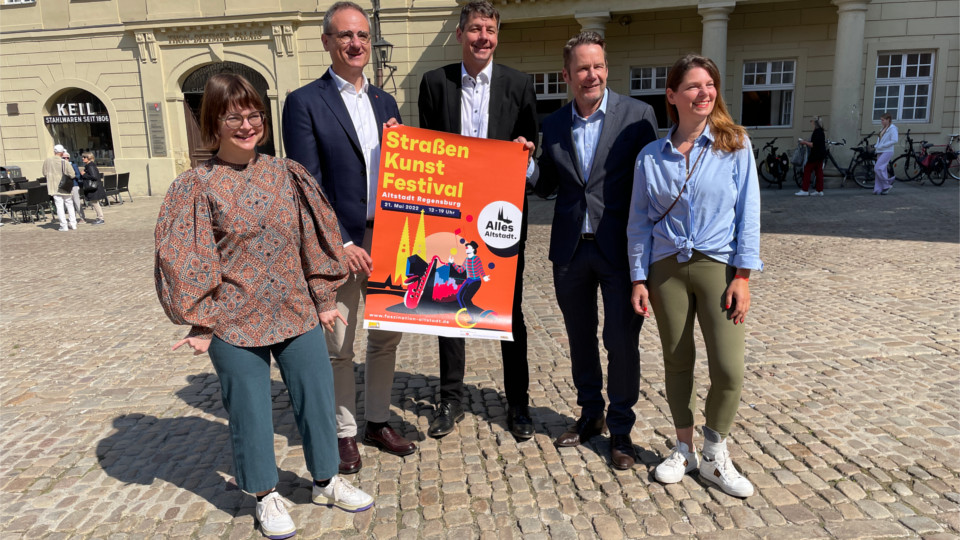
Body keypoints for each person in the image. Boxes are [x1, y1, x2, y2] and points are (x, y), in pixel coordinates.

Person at [155, 73, 373, 540]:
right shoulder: (197, 185)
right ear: (213, 122)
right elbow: (191, 257)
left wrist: (323, 299)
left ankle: (326, 481)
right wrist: (201, 322)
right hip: (234, 322)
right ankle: (264, 494)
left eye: (253, 114)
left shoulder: (286, 174)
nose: (247, 124)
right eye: (233, 116)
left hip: (295, 312)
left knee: (317, 400)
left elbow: (312, 240)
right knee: (249, 411)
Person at [282, 1, 416, 475]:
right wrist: (340, 241)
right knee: (339, 346)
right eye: (344, 36)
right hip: (338, 244)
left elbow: (405, 176)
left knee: (386, 338)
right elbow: (306, 183)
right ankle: (343, 432)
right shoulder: (304, 101)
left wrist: (404, 146)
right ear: (327, 42)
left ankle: (378, 421)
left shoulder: (386, 102)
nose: (355, 43)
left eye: (361, 35)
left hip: (389, 238)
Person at [627, 54, 763, 497]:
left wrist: (743, 275)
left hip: (718, 266)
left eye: (709, 85)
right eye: (693, 86)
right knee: (677, 360)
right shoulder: (651, 156)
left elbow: (749, 214)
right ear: (672, 95)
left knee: (728, 367)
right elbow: (640, 221)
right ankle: (683, 448)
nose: (704, 93)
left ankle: (714, 451)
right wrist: (638, 277)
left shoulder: (735, 144)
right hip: (666, 270)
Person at [531, 31, 658, 470]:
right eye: (583, 68)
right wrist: (526, 164)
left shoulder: (638, 116)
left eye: (598, 66)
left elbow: (651, 186)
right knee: (580, 338)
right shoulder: (552, 123)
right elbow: (547, 184)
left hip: (619, 248)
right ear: (567, 74)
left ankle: (621, 431)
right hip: (569, 249)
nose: (592, 75)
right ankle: (591, 415)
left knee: (622, 341)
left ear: (607, 67)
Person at [418, 0, 539, 440]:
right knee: (449, 304)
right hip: (449, 214)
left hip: (500, 218)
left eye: (489, 29)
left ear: (497, 35)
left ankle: (519, 403)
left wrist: (525, 157)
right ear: (460, 34)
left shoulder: (519, 85)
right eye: (474, 29)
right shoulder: (435, 83)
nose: (482, 37)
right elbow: (427, 149)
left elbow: (531, 155)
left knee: (509, 310)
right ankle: (450, 398)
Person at [43, 144, 76, 232]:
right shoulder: (64, 162)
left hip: (54, 187)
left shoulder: (47, 161)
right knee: (69, 205)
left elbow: (44, 173)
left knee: (59, 207)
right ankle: (73, 224)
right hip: (65, 187)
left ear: (55, 152)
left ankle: (63, 225)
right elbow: (72, 174)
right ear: (61, 153)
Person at [795, 116, 826, 196]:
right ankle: (819, 190)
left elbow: (813, 144)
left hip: (815, 154)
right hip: (821, 154)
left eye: (812, 122)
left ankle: (805, 189)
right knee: (819, 172)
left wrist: (804, 142)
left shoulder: (817, 132)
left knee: (807, 170)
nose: (811, 123)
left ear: (815, 123)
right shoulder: (821, 131)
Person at [874, 113, 898, 195]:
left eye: (883, 120)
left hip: (887, 150)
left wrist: (883, 145)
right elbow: (880, 140)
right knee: (882, 169)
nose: (881, 122)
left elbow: (895, 140)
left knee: (878, 168)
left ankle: (886, 185)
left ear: (888, 120)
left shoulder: (893, 128)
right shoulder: (883, 128)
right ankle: (878, 189)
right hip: (880, 150)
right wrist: (877, 146)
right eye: (881, 120)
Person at [80, 152, 105, 225]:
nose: (82, 158)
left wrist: (84, 174)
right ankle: (99, 217)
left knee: (95, 203)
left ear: (89, 158)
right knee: (95, 203)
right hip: (93, 188)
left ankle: (101, 218)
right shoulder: (89, 165)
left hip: (93, 188)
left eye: (84, 157)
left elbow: (94, 176)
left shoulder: (90, 166)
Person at [67, 155, 88, 223]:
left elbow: (79, 176)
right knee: (69, 203)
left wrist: (72, 176)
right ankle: (73, 218)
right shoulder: (61, 167)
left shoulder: (73, 165)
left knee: (77, 202)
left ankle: (82, 217)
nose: (66, 159)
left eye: (67, 158)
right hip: (66, 186)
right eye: (64, 158)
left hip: (74, 185)